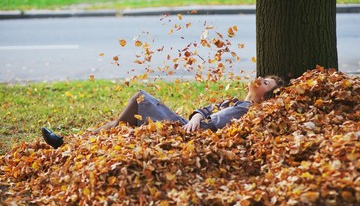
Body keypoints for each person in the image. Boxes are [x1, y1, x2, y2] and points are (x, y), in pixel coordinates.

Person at [42, 76, 285, 148]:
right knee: (122, 122)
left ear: (267, 97)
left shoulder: (250, 111)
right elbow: (203, 110)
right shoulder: (233, 101)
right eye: (264, 78)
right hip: (188, 124)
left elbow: (216, 126)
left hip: (188, 134)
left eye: (266, 84)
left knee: (137, 101)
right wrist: (197, 116)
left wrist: (200, 123)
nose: (261, 79)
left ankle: (70, 143)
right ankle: (71, 143)